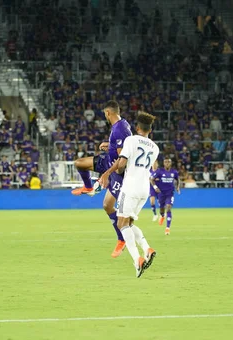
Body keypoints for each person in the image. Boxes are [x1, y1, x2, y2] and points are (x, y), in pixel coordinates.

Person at [101, 112, 159, 277]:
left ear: (137, 128)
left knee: (122, 224)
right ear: (150, 129)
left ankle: (137, 260)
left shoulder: (131, 140)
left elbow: (121, 164)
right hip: (144, 190)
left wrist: (107, 173)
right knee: (130, 223)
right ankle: (147, 249)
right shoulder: (155, 147)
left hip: (131, 186)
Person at [72, 100, 132, 258]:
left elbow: (122, 162)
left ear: (108, 113)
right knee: (79, 164)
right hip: (108, 161)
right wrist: (109, 145)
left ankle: (122, 239)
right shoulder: (121, 125)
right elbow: (121, 148)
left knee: (109, 206)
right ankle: (89, 187)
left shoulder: (119, 129)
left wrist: (107, 175)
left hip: (118, 173)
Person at [151, 157, 181, 235]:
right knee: (161, 209)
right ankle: (162, 216)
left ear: (170, 163)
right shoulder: (160, 171)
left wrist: (178, 187)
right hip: (161, 194)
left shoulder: (174, 172)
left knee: (168, 208)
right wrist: (155, 187)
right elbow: (151, 179)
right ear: (164, 163)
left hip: (170, 193)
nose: (167, 163)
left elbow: (178, 179)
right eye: (165, 162)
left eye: (168, 162)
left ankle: (167, 228)